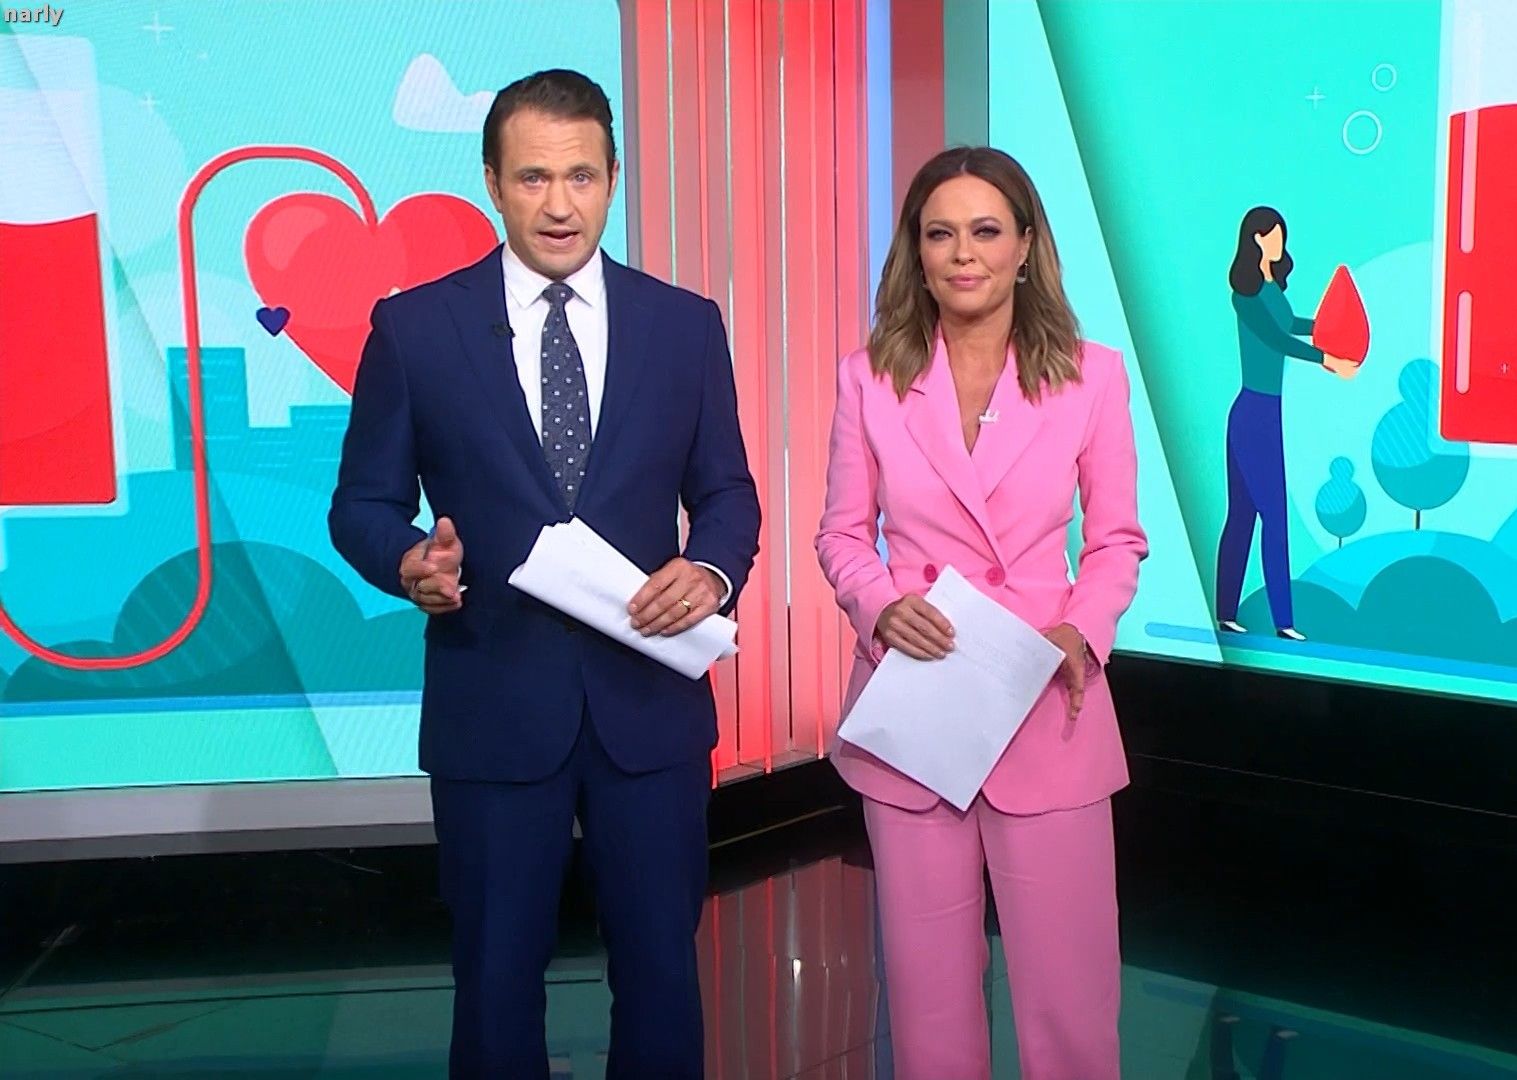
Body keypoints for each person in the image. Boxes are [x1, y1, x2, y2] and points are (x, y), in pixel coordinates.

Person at [328, 69, 759, 1078]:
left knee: (661, 977)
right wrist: (406, 561)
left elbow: (728, 492)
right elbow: (361, 505)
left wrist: (710, 569)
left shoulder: (683, 325)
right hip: (492, 701)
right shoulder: (416, 329)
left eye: (580, 176)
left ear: (613, 178)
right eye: (532, 178)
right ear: (492, 182)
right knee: (493, 981)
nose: (559, 204)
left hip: (647, 708)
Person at [815, 146, 1149, 1080]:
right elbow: (842, 535)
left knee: (1071, 1001)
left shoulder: (1091, 376)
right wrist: (881, 606)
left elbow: (1117, 540)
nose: (964, 253)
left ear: (1025, 245)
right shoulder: (868, 379)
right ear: (916, 253)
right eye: (941, 234)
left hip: (1045, 696)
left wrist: (1082, 629)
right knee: (927, 1005)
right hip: (917, 706)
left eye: (986, 231)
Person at [1215, 206, 1358, 640]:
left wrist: (1328, 330)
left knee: (1245, 515)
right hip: (1252, 415)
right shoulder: (1245, 296)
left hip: (1264, 413)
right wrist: (1327, 358)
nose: (1280, 242)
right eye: (1275, 235)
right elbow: (1275, 338)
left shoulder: (1272, 288)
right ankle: (1281, 621)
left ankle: (1229, 613)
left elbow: (1289, 325)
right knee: (1267, 517)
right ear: (1257, 239)